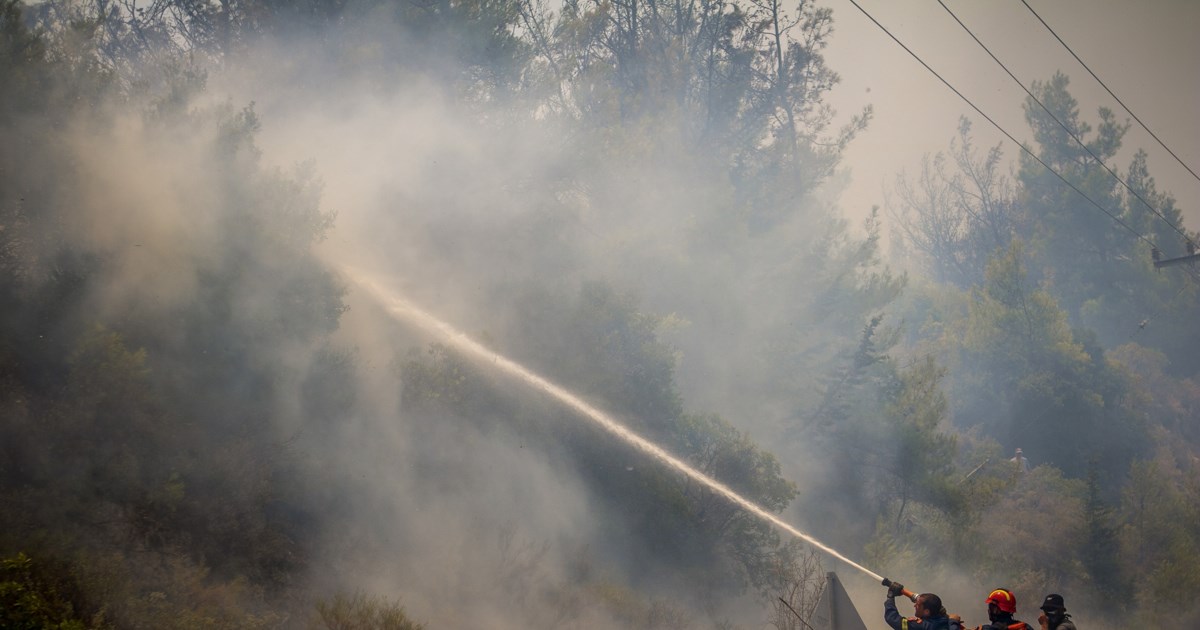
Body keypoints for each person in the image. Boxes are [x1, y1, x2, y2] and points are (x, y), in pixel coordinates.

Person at [884, 581, 963, 630]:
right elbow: (923, 600)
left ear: (926, 611)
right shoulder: (942, 616)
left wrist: (890, 596)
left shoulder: (921, 626)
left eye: (918, 605)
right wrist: (903, 591)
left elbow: (892, 619)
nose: (914, 606)